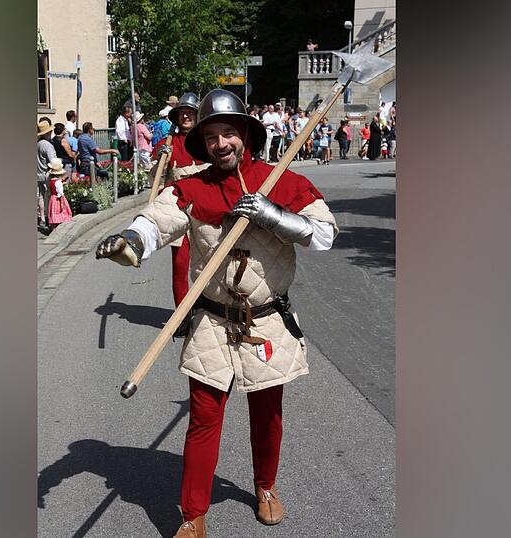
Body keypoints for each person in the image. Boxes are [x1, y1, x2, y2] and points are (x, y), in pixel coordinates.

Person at [96, 89, 338, 538]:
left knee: (267, 415)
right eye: (211, 137)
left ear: (245, 134)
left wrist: (274, 215)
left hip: (266, 320)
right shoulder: (192, 187)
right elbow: (158, 220)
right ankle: (193, 514)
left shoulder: (280, 180)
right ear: (202, 144)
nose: (221, 144)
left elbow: (323, 235)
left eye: (229, 133)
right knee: (205, 418)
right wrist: (130, 239)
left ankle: (265, 487)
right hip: (212, 319)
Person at [148, 92, 208, 307]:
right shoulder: (168, 144)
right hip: (179, 212)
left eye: (190, 113)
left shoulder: (208, 141)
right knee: (181, 266)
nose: (186, 117)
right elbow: (154, 179)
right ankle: (181, 316)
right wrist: (160, 161)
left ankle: (208, 311)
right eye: (183, 113)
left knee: (211, 266)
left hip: (206, 213)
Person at [36, 119, 58, 232]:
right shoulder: (47, 145)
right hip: (46, 174)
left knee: (40, 197)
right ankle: (50, 219)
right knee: (49, 197)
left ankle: (42, 219)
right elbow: (53, 161)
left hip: (38, 173)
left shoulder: (38, 143)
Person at [46, 160, 73, 226]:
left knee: (53, 211)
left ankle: (53, 224)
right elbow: (60, 192)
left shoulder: (51, 180)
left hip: (52, 198)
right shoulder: (58, 182)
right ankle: (60, 223)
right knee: (60, 210)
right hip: (58, 198)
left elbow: (54, 188)